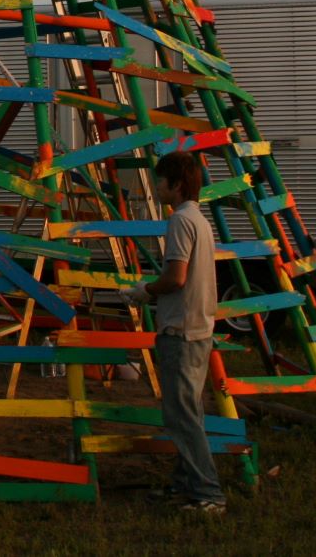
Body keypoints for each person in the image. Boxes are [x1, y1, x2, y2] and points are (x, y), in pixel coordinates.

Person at [124, 150, 225, 515]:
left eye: (161, 182)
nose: (157, 187)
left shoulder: (180, 221)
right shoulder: (200, 220)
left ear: (176, 185)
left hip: (180, 330)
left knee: (181, 418)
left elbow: (175, 278)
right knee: (189, 413)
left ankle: (208, 493)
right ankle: (185, 485)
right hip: (199, 328)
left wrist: (144, 291)